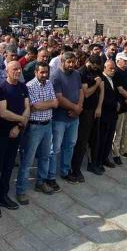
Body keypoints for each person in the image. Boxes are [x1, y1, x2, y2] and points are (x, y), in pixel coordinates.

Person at [0, 61, 29, 218]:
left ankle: (3, 196)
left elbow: (28, 107)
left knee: (9, 166)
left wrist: (18, 126)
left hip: (16, 132)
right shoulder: (0, 89)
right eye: (14, 69)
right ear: (7, 71)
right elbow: (3, 113)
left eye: (19, 69)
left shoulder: (22, 87)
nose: (18, 72)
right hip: (2, 134)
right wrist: (22, 119)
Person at [15, 62, 57, 204]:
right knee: (27, 160)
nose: (44, 75)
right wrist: (48, 103)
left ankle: (41, 182)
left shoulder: (49, 83)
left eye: (46, 72)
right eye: (41, 72)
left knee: (45, 156)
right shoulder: (29, 86)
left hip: (48, 124)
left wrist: (44, 104)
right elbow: (34, 106)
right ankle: (21, 190)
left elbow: (55, 103)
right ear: (35, 72)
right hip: (34, 127)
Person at [49, 52, 84, 185]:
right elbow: (59, 97)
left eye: (73, 62)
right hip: (59, 118)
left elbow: (81, 91)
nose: (71, 64)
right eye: (69, 62)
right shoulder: (55, 76)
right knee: (55, 148)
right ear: (62, 61)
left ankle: (65, 171)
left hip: (74, 118)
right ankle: (50, 176)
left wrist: (79, 107)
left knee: (70, 145)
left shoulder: (76, 74)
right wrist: (75, 108)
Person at [71, 54, 104, 180]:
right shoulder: (82, 72)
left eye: (97, 66)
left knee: (95, 138)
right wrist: (96, 84)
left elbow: (102, 91)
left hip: (95, 110)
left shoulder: (97, 71)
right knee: (82, 141)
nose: (95, 68)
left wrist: (99, 107)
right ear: (88, 62)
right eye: (93, 65)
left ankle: (93, 163)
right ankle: (76, 168)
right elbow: (86, 94)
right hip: (85, 111)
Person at [111, 53, 127, 165]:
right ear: (118, 61)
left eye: (126, 61)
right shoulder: (116, 73)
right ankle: (115, 153)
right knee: (118, 132)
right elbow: (120, 89)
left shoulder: (126, 72)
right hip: (122, 106)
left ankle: (125, 150)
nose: (126, 63)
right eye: (123, 61)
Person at [96, 59, 120, 169]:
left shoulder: (113, 79)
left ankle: (105, 158)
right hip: (105, 114)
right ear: (105, 68)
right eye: (110, 68)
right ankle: (98, 161)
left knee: (109, 138)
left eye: (114, 68)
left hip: (113, 114)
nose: (113, 70)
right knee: (102, 139)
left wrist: (118, 103)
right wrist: (115, 104)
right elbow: (103, 98)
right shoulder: (102, 79)